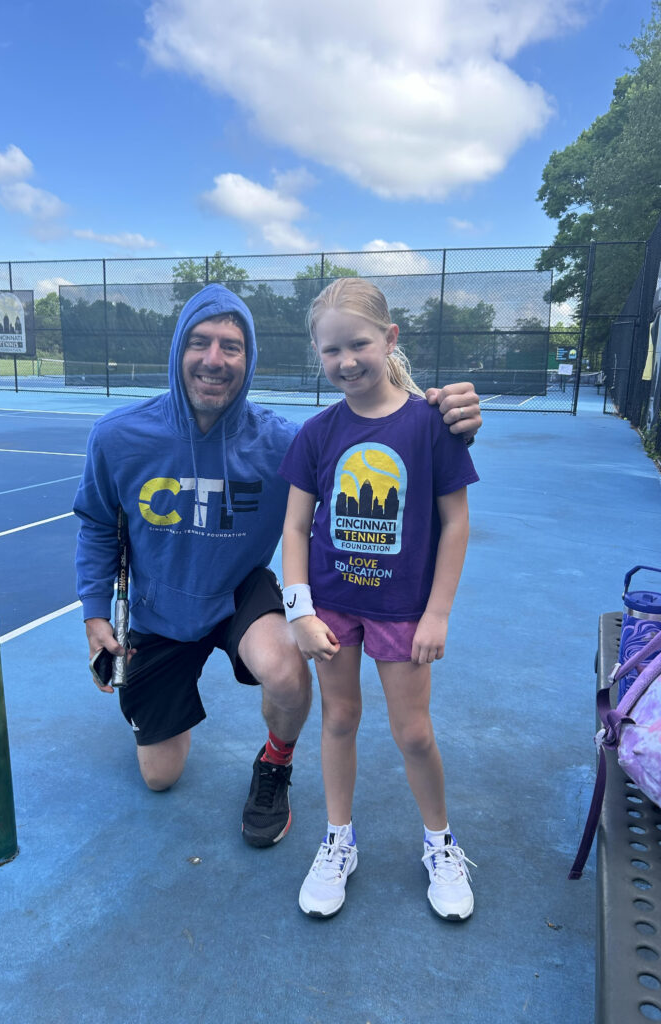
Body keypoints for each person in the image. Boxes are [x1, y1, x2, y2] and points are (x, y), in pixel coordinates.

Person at [74, 282, 482, 850]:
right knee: (160, 777)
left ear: (249, 359)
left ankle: (275, 764)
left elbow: (374, 430)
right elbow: (97, 525)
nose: (214, 359)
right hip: (158, 609)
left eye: (231, 346)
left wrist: (448, 416)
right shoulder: (117, 437)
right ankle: (157, 714)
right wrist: (96, 613)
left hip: (240, 592)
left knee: (290, 671)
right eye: (199, 342)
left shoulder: (286, 441)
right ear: (177, 349)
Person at [279, 277, 478, 920]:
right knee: (338, 719)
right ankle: (339, 840)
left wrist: (438, 612)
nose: (346, 361)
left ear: (390, 339)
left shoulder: (431, 426)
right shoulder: (315, 434)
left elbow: (455, 522)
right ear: (318, 353)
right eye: (331, 350)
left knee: (413, 732)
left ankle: (441, 843)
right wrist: (299, 610)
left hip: (404, 612)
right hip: (333, 607)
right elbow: (294, 527)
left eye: (358, 343)